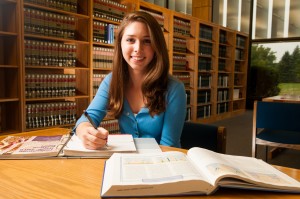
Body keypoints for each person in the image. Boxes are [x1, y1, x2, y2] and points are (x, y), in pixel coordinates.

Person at [74, 11, 186, 149]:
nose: (138, 49)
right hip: (127, 162)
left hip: (163, 164)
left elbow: (169, 147)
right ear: (120, 44)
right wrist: (85, 131)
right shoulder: (112, 81)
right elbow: (86, 119)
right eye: (130, 40)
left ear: (157, 46)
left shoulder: (174, 89)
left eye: (147, 41)